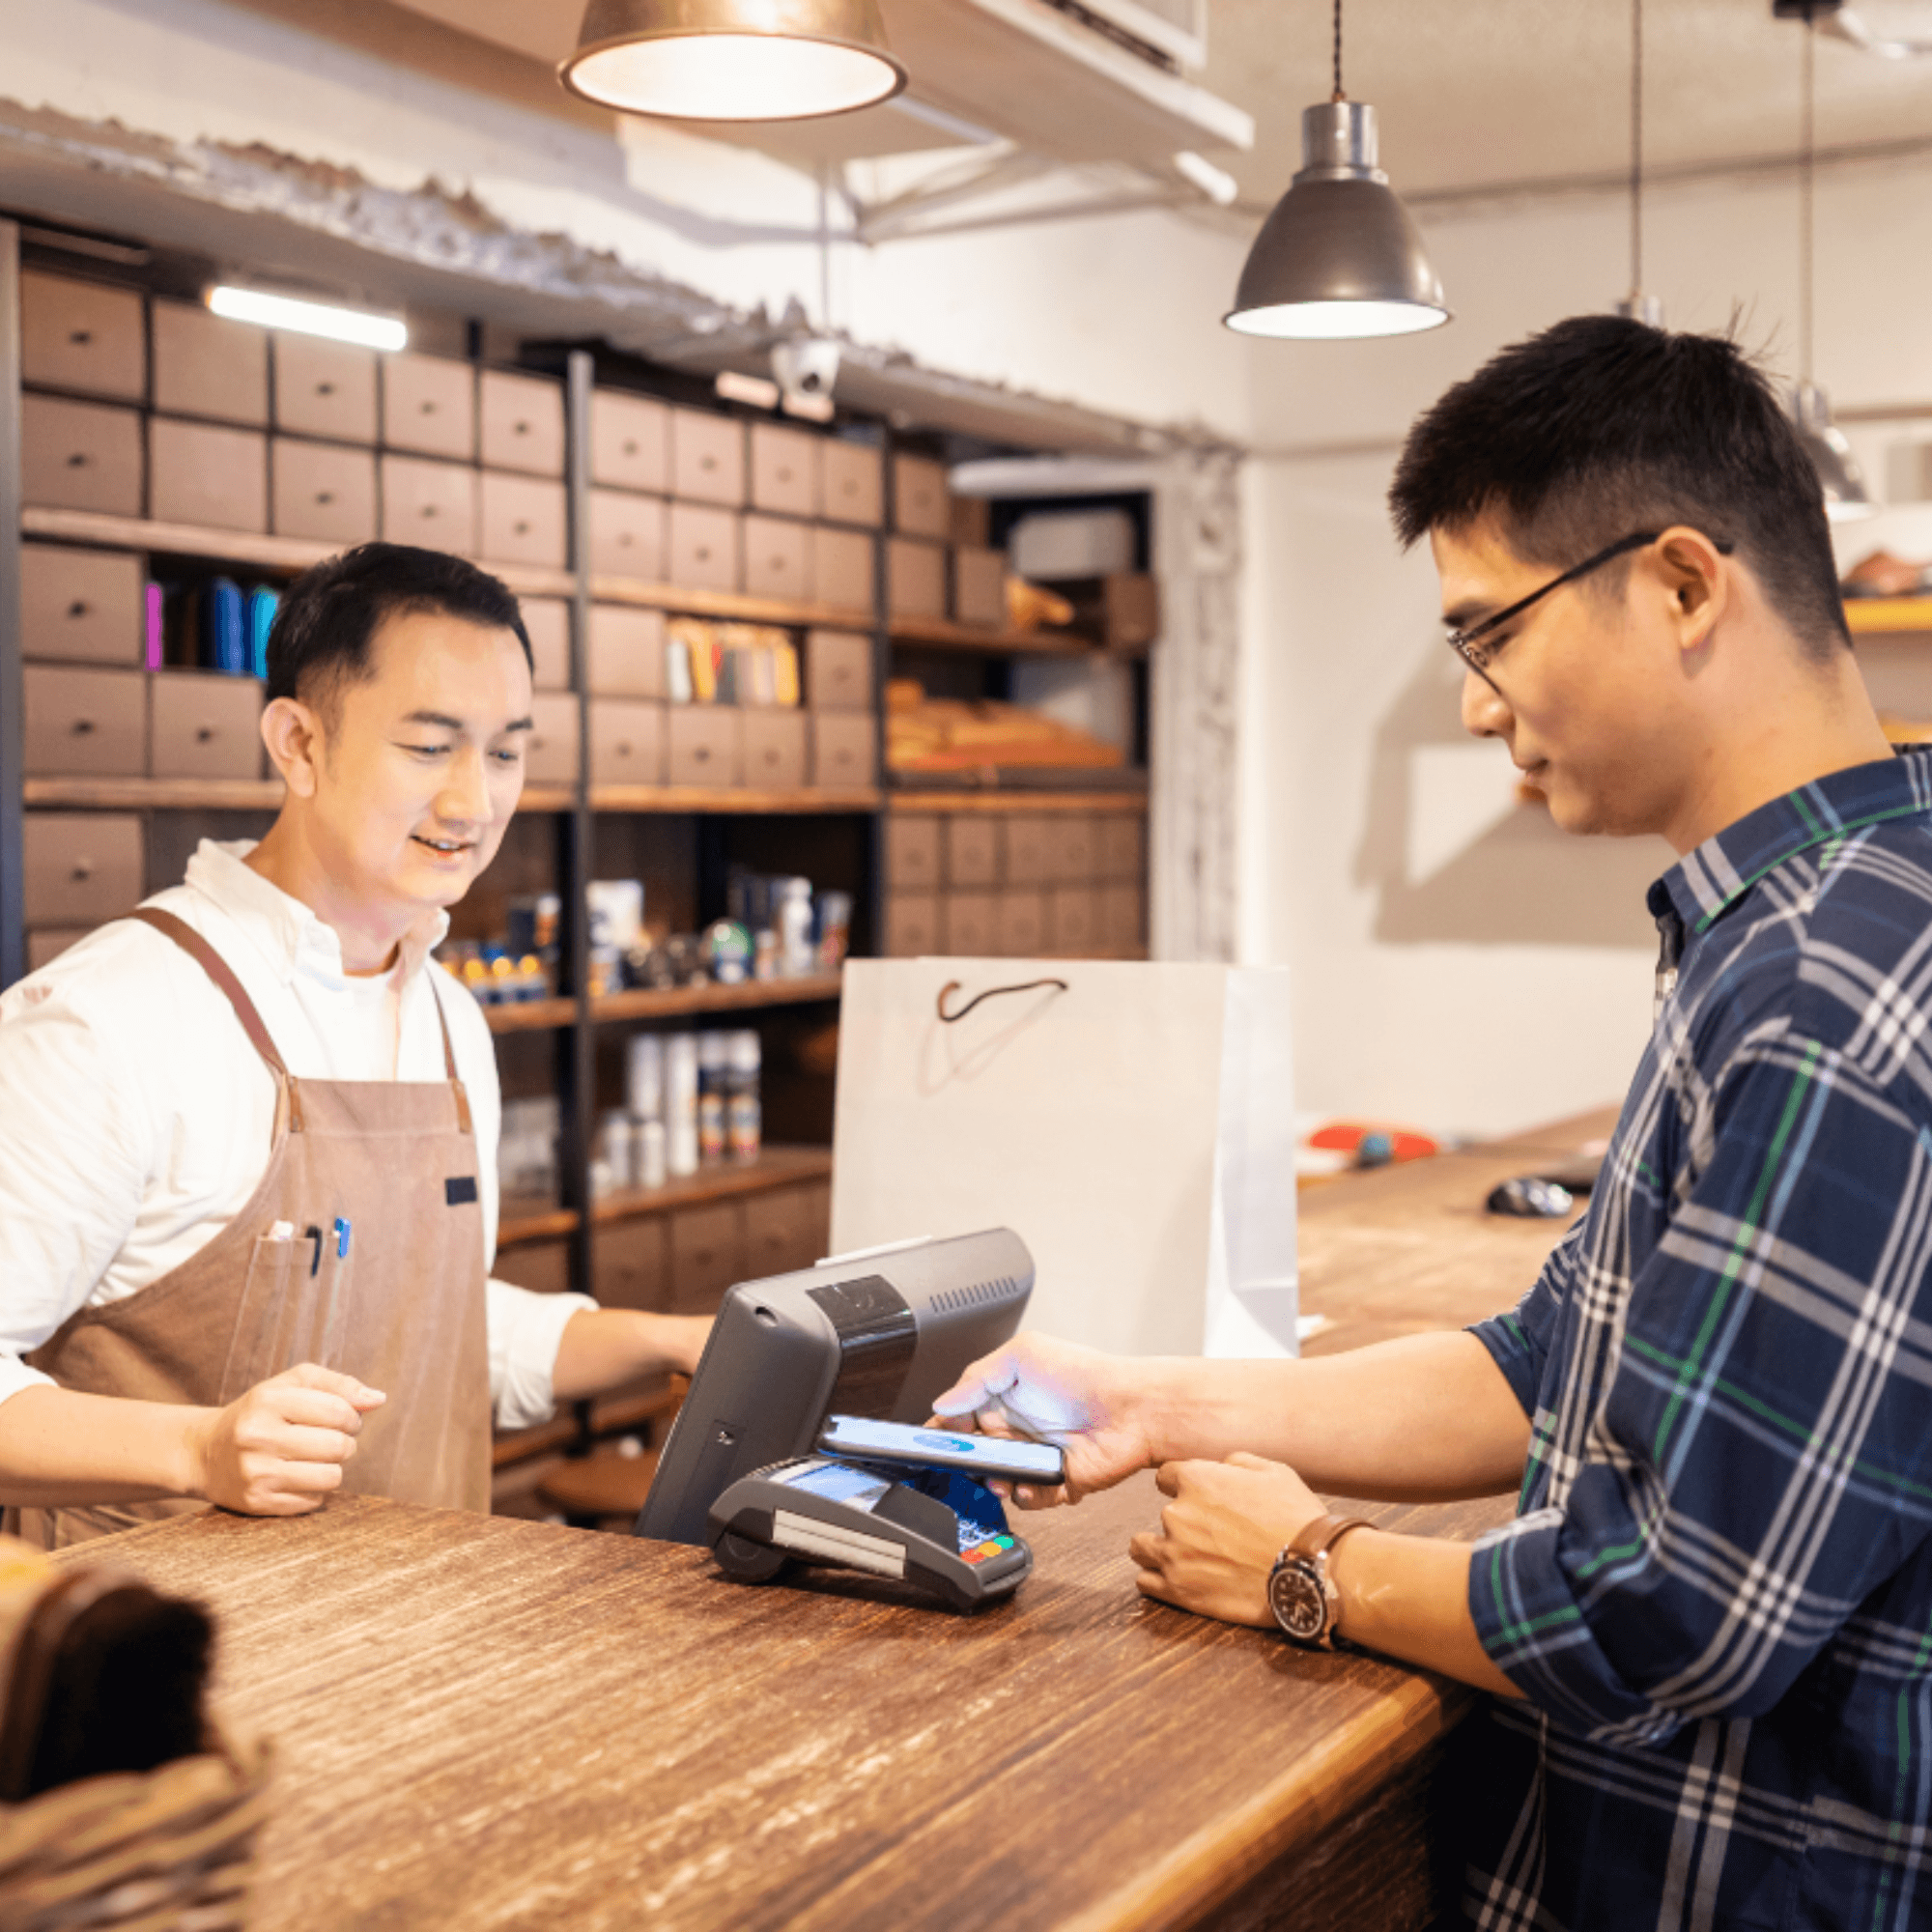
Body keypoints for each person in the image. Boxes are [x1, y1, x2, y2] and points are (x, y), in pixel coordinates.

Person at [935, 317, 1932, 1931]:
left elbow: (1683, 1608)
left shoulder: (1830, 988)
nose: (1479, 711)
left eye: (1491, 634)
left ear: (1683, 586)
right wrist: (1156, 1402)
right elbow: (1550, 1362)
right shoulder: (1821, 911)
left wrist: (1309, 1567)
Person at [0, 543, 708, 1548]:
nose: (473, 802)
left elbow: (433, 1339)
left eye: (505, 751)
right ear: (297, 743)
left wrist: (674, 1340)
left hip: (414, 1648)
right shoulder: (103, 1020)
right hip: (167, 1678)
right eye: (429, 748)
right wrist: (200, 1448)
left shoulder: (450, 1019)